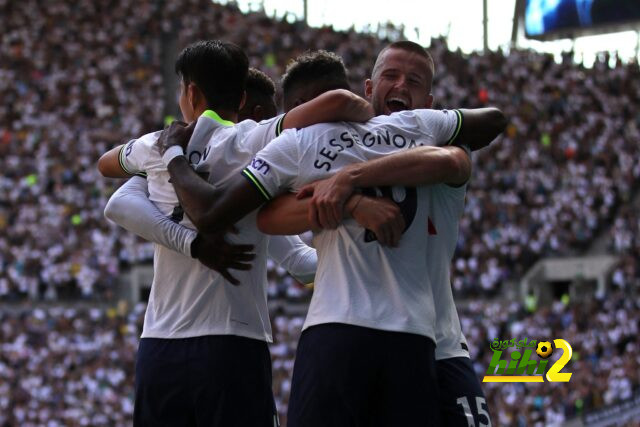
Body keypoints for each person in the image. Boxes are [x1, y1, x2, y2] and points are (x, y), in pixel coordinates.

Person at [156, 75, 505, 426]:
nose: (400, 87)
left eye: (412, 79)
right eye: (390, 76)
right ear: (367, 89)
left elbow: (456, 160)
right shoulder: (412, 132)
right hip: (405, 334)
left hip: (421, 340)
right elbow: (273, 226)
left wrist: (347, 179)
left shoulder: (418, 133)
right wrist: (349, 203)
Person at [98, 44, 391, 426]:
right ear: (241, 99)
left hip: (159, 344)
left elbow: (111, 177)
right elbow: (336, 102)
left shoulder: (156, 146)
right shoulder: (250, 143)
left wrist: (187, 236)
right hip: (232, 342)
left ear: (189, 93)